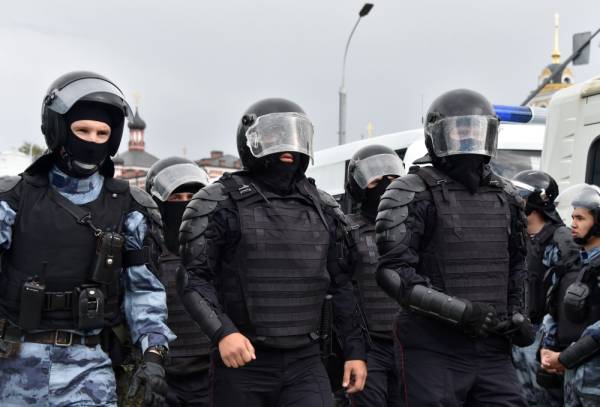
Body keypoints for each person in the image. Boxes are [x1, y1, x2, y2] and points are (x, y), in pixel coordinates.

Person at [0, 71, 175, 406]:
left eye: (102, 133)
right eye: (82, 130)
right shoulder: (13, 199)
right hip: (14, 366)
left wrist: (153, 354)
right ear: (59, 129)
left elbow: (144, 291)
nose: (92, 140)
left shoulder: (130, 206)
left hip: (89, 370)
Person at [178, 98, 368, 406]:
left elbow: (343, 284)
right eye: (272, 135)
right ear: (250, 141)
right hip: (242, 361)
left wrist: (355, 352)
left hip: (305, 361)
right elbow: (192, 278)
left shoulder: (323, 207)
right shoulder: (218, 202)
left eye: (291, 134)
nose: (285, 146)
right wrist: (223, 332)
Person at [375, 89, 533, 407]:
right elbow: (394, 273)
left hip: (492, 346)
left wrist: (518, 314)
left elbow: (517, 265)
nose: (468, 138)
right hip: (433, 348)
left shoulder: (506, 194)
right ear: (438, 135)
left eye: (475, 130)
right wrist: (460, 312)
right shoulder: (410, 190)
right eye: (459, 130)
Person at [145, 157, 211, 406]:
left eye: (191, 197)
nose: (185, 204)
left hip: (212, 377)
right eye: (176, 198)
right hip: (162, 378)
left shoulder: (218, 249)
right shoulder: (146, 251)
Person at [510, 170, 579, 406]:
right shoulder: (518, 236)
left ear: (534, 203)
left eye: (519, 196)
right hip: (519, 332)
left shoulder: (562, 241)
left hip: (545, 337)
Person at [345, 145, 405, 407]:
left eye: (392, 178)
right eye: (376, 179)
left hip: (412, 345)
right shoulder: (345, 230)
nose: (385, 186)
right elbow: (340, 291)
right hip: (368, 347)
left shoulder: (415, 227)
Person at [540, 183, 600, 407]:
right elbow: (555, 310)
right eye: (572, 217)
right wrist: (548, 350)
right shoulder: (579, 265)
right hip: (574, 377)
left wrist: (566, 358)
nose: (572, 224)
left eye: (581, 218)